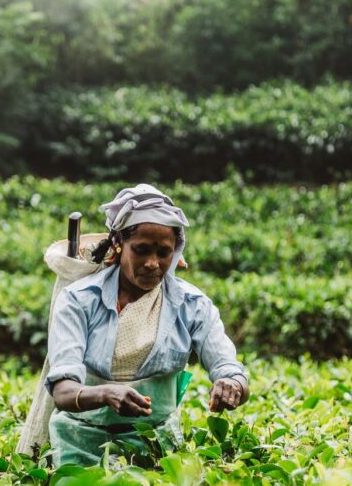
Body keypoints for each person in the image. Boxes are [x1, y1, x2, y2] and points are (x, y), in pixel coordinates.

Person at [45, 184, 249, 467]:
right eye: (141, 250)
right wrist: (105, 394)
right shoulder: (80, 300)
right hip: (79, 443)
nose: (153, 263)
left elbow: (230, 368)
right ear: (119, 244)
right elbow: (63, 391)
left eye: (164, 253)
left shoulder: (192, 305)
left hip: (157, 445)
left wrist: (232, 384)